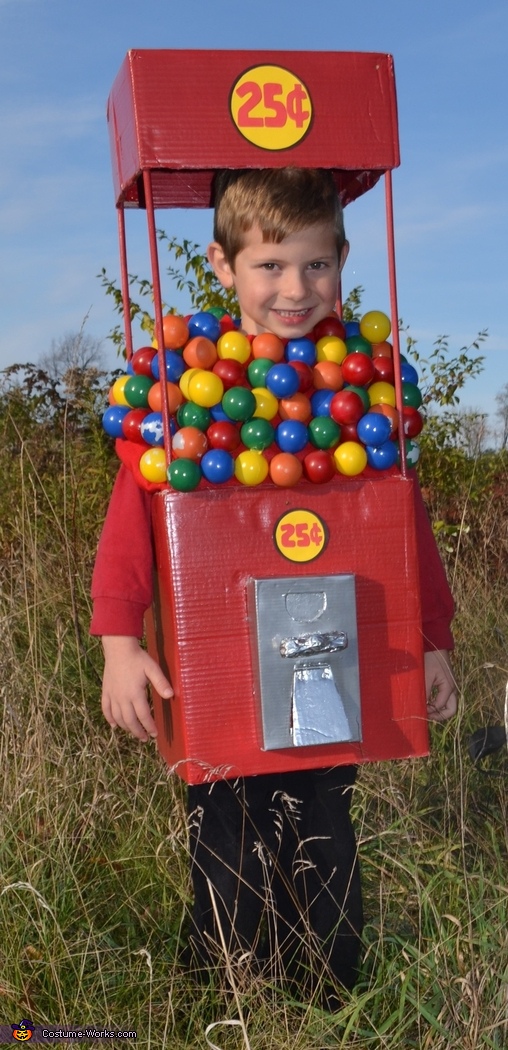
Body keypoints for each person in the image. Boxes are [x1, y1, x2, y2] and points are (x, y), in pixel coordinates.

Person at [91, 167, 457, 1007]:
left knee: (328, 827)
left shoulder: (367, 387)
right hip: (217, 662)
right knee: (225, 834)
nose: (296, 289)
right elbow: (132, 526)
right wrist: (120, 643)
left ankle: (331, 998)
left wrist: (433, 640)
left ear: (344, 260)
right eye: (271, 266)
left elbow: (407, 532)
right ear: (222, 266)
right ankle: (219, 997)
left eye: (317, 266)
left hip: (335, 655)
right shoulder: (185, 385)